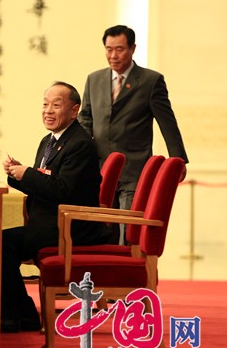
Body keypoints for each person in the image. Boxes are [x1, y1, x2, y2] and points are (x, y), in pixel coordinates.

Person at [1, 82, 111, 333]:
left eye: (56, 105)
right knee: (0, 242)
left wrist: (27, 174)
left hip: (69, 228)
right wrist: (17, 174)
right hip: (48, 223)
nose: (48, 111)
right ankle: (21, 313)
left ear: (74, 110)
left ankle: (16, 315)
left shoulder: (80, 144)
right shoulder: (49, 140)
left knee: (1, 244)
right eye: (45, 104)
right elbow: (45, 181)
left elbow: (63, 190)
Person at [79, 25, 189, 219]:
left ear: (133, 48)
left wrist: (178, 160)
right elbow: (85, 118)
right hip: (100, 169)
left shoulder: (150, 81)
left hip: (134, 169)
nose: (113, 55)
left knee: (127, 228)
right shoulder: (94, 79)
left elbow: (168, 123)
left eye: (119, 49)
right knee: (104, 228)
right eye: (108, 49)